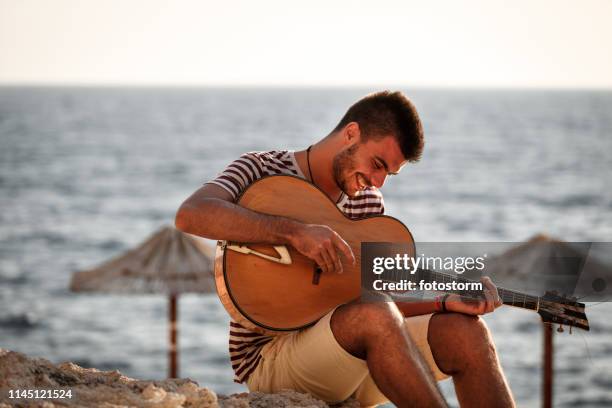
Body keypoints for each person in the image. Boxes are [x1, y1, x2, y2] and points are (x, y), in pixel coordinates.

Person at [175, 91, 515, 407]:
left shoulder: (368, 204)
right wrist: (294, 233)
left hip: (357, 356)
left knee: (466, 333)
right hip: (273, 359)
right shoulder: (260, 168)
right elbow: (192, 215)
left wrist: (444, 299)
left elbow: (377, 301)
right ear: (351, 134)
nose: (379, 181)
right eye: (378, 164)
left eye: (389, 174)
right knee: (375, 315)